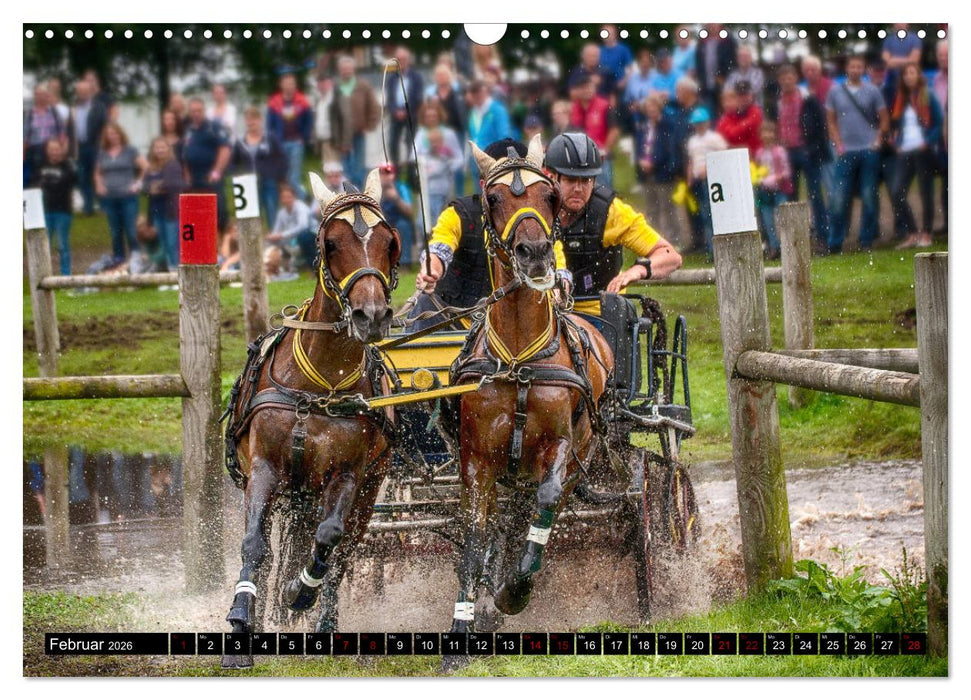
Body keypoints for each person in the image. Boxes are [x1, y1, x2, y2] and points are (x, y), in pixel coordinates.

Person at [411, 139, 569, 328]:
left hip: (517, 330)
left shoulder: (538, 221)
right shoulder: (458, 214)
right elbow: (440, 245)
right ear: (484, 185)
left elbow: (556, 258)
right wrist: (432, 270)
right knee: (424, 305)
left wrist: (561, 284)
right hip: (455, 324)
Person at [544, 133, 682, 316]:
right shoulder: (537, 210)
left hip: (601, 315)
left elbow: (671, 256)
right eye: (570, 180)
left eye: (586, 181)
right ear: (552, 177)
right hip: (549, 314)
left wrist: (636, 271)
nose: (578, 188)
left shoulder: (612, 212)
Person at [825, 54, 889, 253]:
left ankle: (866, 240)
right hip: (845, 152)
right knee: (838, 198)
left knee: (869, 196)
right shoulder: (835, 92)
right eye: (852, 66)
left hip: (868, 150)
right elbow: (831, 120)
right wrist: (837, 143)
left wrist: (877, 140)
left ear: (864, 69)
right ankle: (835, 241)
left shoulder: (873, 91)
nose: (855, 70)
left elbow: (884, 118)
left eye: (859, 66)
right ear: (847, 68)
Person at [776, 63, 831, 249]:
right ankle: (796, 239)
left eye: (789, 77)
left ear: (795, 78)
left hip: (806, 150)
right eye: (783, 78)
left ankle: (823, 237)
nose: (786, 81)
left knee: (815, 195)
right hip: (788, 151)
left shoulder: (807, 98)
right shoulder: (778, 100)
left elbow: (819, 123)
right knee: (790, 197)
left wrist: (813, 147)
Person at [889, 63, 943, 249]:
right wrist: (896, 143)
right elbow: (897, 125)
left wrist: (927, 141)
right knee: (897, 191)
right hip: (905, 149)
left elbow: (939, 122)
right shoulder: (901, 99)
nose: (909, 77)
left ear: (918, 75)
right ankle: (912, 232)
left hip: (922, 149)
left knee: (925, 191)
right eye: (906, 74)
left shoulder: (928, 95)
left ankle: (927, 233)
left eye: (912, 73)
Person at [655, 77, 701, 251]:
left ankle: (704, 240)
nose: (677, 95)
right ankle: (696, 241)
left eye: (679, 91)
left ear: (689, 92)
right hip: (682, 166)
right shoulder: (681, 112)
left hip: (695, 166)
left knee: (699, 205)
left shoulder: (698, 111)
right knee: (689, 206)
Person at [95, 122, 147, 264]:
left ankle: (136, 258)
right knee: (115, 231)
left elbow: (145, 166)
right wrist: (99, 185)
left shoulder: (130, 151)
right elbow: (98, 173)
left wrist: (138, 183)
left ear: (120, 134)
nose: (113, 137)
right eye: (110, 134)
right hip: (110, 197)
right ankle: (119, 260)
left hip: (128, 196)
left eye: (115, 133)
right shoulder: (103, 153)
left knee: (131, 229)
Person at [230, 106, 288, 231]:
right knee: (251, 217)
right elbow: (233, 162)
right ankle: (253, 245)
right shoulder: (240, 141)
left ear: (260, 120)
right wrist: (236, 177)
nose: (251, 122)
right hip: (248, 185)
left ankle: (275, 243)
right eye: (248, 120)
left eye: (254, 119)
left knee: (272, 213)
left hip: (269, 181)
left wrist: (280, 177)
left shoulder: (270, 137)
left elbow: (282, 158)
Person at [329, 55, 380, 189]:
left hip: (359, 132)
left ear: (353, 70)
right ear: (339, 70)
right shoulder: (337, 88)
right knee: (346, 168)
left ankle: (359, 192)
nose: (346, 72)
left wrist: (369, 125)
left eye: (348, 69)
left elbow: (374, 106)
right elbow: (333, 114)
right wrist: (336, 136)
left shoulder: (363, 85)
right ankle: (348, 192)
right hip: (343, 136)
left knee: (359, 167)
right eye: (343, 69)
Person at [182, 96, 232, 232]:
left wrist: (217, 171)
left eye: (199, 110)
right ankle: (204, 246)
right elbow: (185, 154)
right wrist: (187, 175)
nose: (196, 114)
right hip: (194, 178)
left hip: (211, 176)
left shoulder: (214, 127)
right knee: (198, 215)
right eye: (193, 111)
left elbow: (225, 149)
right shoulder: (188, 130)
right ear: (189, 112)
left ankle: (222, 244)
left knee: (218, 212)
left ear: (204, 111)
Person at [637, 94, 680, 248]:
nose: (651, 111)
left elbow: (668, 147)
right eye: (648, 108)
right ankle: (654, 241)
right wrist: (641, 161)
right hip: (646, 173)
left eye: (653, 107)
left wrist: (654, 161)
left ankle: (673, 240)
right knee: (651, 208)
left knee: (667, 207)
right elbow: (640, 146)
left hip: (663, 172)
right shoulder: (643, 126)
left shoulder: (667, 125)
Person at [685, 107, 728, 258]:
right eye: (697, 124)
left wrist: (710, 169)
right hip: (697, 180)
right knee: (704, 214)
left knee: (713, 213)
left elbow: (723, 155)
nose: (699, 126)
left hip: (712, 179)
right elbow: (691, 160)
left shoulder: (714, 138)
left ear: (707, 123)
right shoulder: (693, 141)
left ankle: (719, 247)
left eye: (701, 123)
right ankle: (710, 248)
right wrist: (689, 178)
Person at [413, 101, 465, 225]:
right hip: (425, 184)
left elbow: (459, 158)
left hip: (443, 185)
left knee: (439, 215)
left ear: (439, 116)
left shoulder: (448, 134)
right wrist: (421, 169)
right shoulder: (420, 135)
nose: (431, 119)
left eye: (434, 116)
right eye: (428, 116)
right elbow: (413, 158)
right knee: (424, 215)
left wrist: (447, 166)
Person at [266, 72, 314, 201]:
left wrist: (303, 138)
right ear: (281, 85)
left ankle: (306, 200)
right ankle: (292, 204)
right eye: (286, 83)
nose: (289, 86)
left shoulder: (302, 101)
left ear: (295, 85)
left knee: (294, 178)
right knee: (282, 178)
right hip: (280, 144)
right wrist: (272, 142)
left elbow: (308, 121)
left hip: (296, 143)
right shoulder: (274, 102)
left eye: (291, 83)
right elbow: (269, 125)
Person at [570, 74, 620, 188]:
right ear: (577, 91)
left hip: (601, 157)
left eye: (589, 87)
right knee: (584, 188)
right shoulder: (574, 108)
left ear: (594, 88)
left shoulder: (604, 106)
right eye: (583, 88)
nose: (586, 90)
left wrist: (605, 150)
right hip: (580, 157)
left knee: (603, 189)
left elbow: (614, 130)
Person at [143, 137, 185, 270]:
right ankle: (169, 271)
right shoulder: (151, 168)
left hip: (171, 211)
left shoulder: (173, 165)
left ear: (168, 149)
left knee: (173, 244)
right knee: (164, 243)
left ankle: (176, 272)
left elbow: (174, 184)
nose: (160, 150)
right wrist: (151, 188)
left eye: (162, 147)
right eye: (157, 147)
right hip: (156, 210)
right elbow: (144, 187)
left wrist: (158, 187)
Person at [753, 121, 793, 259]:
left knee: (783, 218)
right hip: (764, 191)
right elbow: (757, 170)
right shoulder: (759, 153)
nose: (767, 135)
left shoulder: (779, 151)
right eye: (764, 132)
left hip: (779, 189)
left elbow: (786, 171)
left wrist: (777, 178)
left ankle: (787, 245)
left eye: (770, 132)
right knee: (767, 220)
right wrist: (759, 179)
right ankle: (774, 247)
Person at [38, 139, 77, 275]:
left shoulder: (67, 166)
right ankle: (45, 274)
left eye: (56, 149)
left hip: (63, 211)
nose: (54, 152)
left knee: (62, 245)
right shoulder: (42, 165)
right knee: (45, 245)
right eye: (51, 149)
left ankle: (66, 275)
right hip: (45, 211)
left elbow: (72, 181)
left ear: (61, 150)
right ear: (47, 150)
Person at [70, 78, 109, 215]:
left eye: (85, 91)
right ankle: (88, 207)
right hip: (79, 147)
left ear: (90, 91)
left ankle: (104, 206)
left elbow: (105, 127)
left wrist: (103, 145)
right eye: (80, 91)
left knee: (98, 175)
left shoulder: (99, 107)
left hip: (95, 146)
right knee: (82, 177)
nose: (83, 93)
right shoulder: (74, 107)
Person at [385, 47, 424, 171]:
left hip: (410, 116)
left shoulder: (416, 77)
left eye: (403, 59)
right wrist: (395, 110)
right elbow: (389, 98)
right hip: (395, 115)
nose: (401, 62)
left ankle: (412, 173)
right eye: (398, 60)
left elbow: (418, 97)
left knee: (410, 145)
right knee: (392, 144)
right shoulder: (391, 78)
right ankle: (395, 172)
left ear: (408, 60)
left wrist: (406, 111)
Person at [24, 84, 66, 186]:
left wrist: (63, 150)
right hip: (36, 151)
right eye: (38, 94)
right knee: (37, 177)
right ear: (35, 96)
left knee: (53, 178)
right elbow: (24, 136)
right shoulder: (30, 113)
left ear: (47, 96)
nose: (40, 96)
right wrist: (23, 154)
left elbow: (62, 132)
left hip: (52, 151)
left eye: (43, 94)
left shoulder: (54, 112)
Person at [267, 183, 315, 270]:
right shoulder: (281, 213)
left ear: (294, 197)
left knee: (303, 237)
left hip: (310, 235)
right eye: (284, 197)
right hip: (292, 239)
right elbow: (277, 230)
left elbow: (303, 226)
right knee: (271, 242)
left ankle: (311, 266)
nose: (286, 200)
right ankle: (274, 265)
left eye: (289, 197)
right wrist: (272, 236)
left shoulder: (301, 207)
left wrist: (282, 235)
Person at [377, 163, 415, 267]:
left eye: (388, 173)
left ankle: (405, 263)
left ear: (393, 175)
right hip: (380, 221)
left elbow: (410, 212)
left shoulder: (401, 187)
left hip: (398, 220)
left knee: (403, 226)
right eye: (381, 174)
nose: (385, 177)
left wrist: (396, 198)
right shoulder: (374, 189)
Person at [694, 23, 737, 115]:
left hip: (724, 84)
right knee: (709, 113)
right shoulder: (702, 41)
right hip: (706, 85)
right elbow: (698, 63)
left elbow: (732, 62)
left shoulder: (728, 41)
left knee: (726, 112)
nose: (712, 25)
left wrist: (723, 76)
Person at [716, 81, 763, 154]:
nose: (743, 98)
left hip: (756, 155)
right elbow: (725, 136)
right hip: (737, 156)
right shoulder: (728, 116)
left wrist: (736, 132)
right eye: (740, 95)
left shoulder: (756, 111)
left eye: (746, 94)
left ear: (752, 95)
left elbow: (733, 133)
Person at [932, 40, 948, 233]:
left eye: (947, 55)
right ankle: (947, 224)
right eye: (941, 55)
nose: (943, 59)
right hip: (943, 140)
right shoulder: (936, 80)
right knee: (946, 185)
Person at [313, 74, 336, 163]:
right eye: (320, 84)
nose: (322, 86)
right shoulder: (318, 100)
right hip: (323, 140)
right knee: (326, 166)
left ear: (330, 83)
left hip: (333, 141)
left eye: (324, 83)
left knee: (335, 167)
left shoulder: (335, 99)